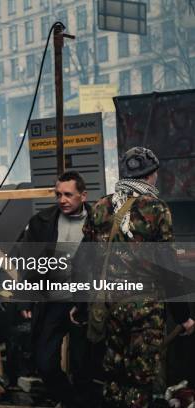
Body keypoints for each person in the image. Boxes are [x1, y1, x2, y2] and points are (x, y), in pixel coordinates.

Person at [80, 147, 194, 408]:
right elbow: (167, 266)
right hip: (144, 309)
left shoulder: (100, 206)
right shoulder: (156, 209)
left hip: (109, 305)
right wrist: (183, 315)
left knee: (114, 373)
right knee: (139, 378)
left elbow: (84, 258)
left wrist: (80, 303)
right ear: (152, 175)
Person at [17, 171, 92, 408]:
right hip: (53, 301)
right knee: (44, 361)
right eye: (58, 194)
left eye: (68, 195)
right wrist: (25, 299)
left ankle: (80, 402)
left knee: (84, 366)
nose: (62, 200)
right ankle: (68, 400)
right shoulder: (43, 221)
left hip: (84, 303)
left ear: (83, 195)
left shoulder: (99, 222)